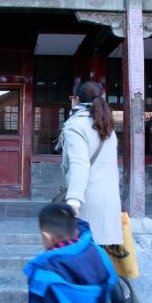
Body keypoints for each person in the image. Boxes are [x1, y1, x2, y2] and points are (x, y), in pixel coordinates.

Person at [15, 203, 124, 303]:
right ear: (75, 230)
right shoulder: (98, 253)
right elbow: (111, 284)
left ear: (47, 236)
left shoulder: (46, 275)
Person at [59, 80, 122, 246]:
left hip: (87, 200)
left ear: (76, 99)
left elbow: (79, 164)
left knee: (84, 255)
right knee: (99, 257)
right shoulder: (107, 125)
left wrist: (73, 201)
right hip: (110, 199)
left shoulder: (75, 125)